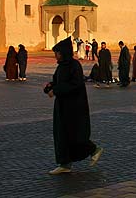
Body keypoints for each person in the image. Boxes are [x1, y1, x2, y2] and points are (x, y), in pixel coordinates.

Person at [43, 37, 103, 175]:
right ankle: (65, 163)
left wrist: (56, 90)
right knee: (62, 135)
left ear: (63, 52)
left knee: (75, 135)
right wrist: (49, 87)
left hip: (74, 108)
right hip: (62, 107)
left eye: (57, 53)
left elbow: (75, 85)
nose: (55, 56)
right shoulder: (61, 66)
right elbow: (56, 81)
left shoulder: (74, 66)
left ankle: (94, 150)